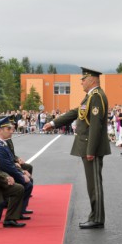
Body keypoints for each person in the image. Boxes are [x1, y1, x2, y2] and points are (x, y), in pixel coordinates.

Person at [42, 67, 110, 229]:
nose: (81, 82)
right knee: (92, 183)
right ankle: (95, 215)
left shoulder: (96, 96)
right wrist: (53, 123)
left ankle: (97, 217)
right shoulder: (90, 97)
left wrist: (91, 150)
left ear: (92, 79)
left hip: (90, 146)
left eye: (83, 79)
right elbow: (75, 112)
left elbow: (95, 125)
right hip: (86, 145)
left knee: (94, 183)